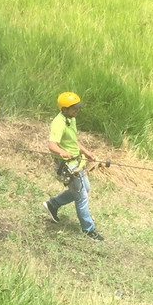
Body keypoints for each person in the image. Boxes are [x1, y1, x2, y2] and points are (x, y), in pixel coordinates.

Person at [42, 91, 104, 241]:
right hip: (66, 165)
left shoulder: (72, 119)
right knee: (81, 196)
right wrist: (62, 152)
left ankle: (52, 204)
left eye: (77, 108)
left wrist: (87, 152)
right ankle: (89, 229)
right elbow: (51, 145)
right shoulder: (58, 123)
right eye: (74, 108)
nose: (77, 111)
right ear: (64, 109)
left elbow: (73, 140)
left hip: (76, 161)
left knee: (84, 189)